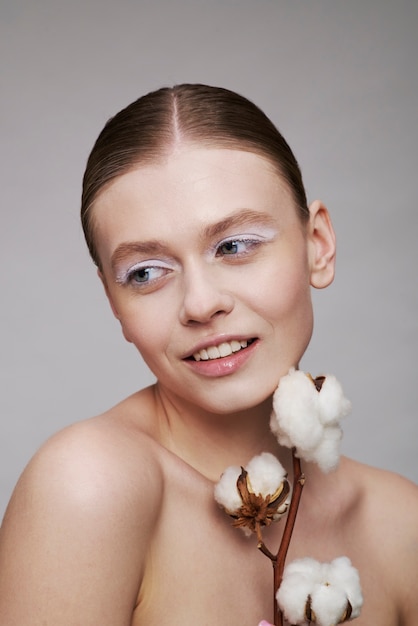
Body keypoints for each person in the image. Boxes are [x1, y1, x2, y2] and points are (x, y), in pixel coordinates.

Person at [0, 84, 417, 626]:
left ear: (318, 244)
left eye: (235, 246)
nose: (200, 304)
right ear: (113, 302)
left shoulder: (400, 524)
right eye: (145, 273)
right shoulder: (87, 487)